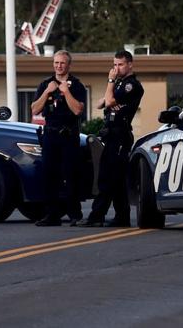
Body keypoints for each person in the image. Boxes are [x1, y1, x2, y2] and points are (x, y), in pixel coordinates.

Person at [79, 49, 143, 227]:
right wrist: (111, 90)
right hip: (112, 134)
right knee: (117, 179)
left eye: (120, 64)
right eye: (114, 65)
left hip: (120, 135)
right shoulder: (120, 84)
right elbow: (101, 103)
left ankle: (96, 216)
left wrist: (110, 81)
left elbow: (108, 102)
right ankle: (122, 216)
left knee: (106, 177)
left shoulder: (132, 85)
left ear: (130, 64)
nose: (116, 68)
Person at [30, 49, 87, 226]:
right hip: (50, 134)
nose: (58, 66)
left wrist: (65, 92)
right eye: (56, 63)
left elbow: (78, 109)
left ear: (68, 65)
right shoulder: (46, 84)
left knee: (71, 174)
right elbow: (34, 109)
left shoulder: (76, 85)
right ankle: (51, 215)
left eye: (62, 63)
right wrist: (47, 92)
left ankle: (74, 214)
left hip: (69, 135)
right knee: (49, 175)